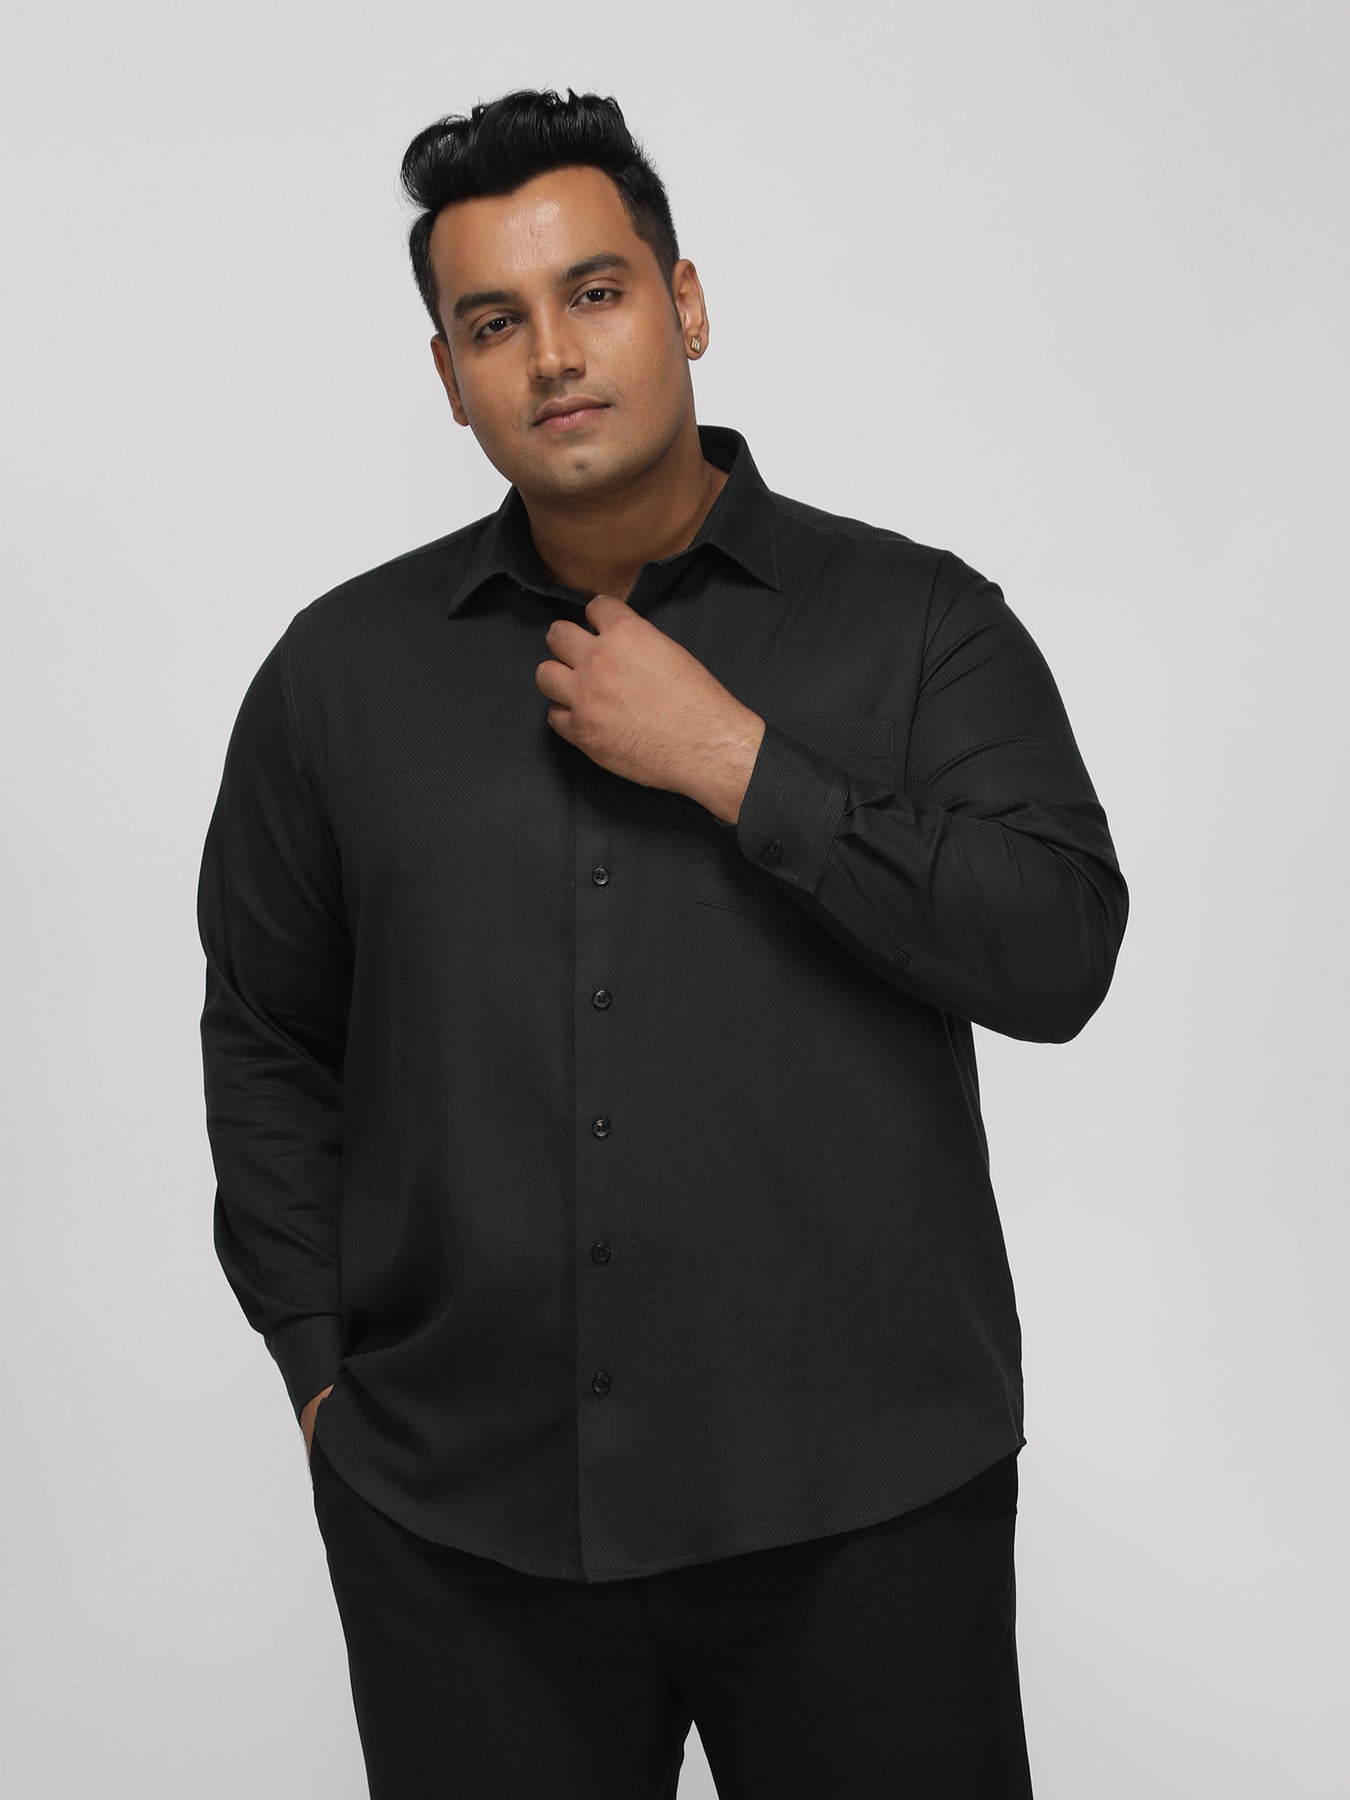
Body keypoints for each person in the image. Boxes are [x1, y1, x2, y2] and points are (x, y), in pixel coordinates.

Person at [197, 85, 1128, 1800]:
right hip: (460, 1535)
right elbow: (266, 1038)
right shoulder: (338, 679)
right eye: (494, 322)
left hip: (867, 1512)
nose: (552, 354)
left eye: (595, 291)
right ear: (449, 375)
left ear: (684, 303)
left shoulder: (918, 624)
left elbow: (1058, 949)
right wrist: (323, 1380)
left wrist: (738, 763)